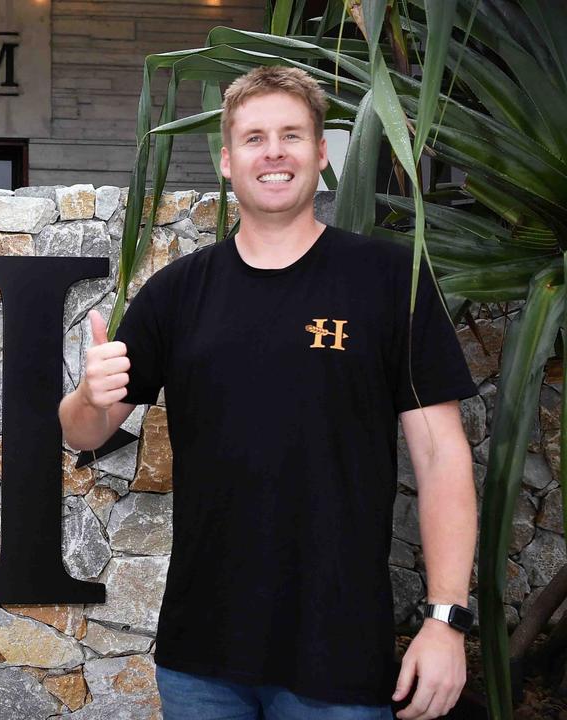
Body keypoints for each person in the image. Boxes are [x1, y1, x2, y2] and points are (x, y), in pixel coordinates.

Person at [60, 67, 477, 720]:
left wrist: (446, 620)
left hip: (339, 657)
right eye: (255, 138)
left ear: (320, 154)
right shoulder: (178, 292)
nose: (274, 151)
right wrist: (88, 395)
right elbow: (81, 431)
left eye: (292, 134)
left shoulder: (388, 280)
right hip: (202, 657)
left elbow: (442, 457)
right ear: (228, 161)